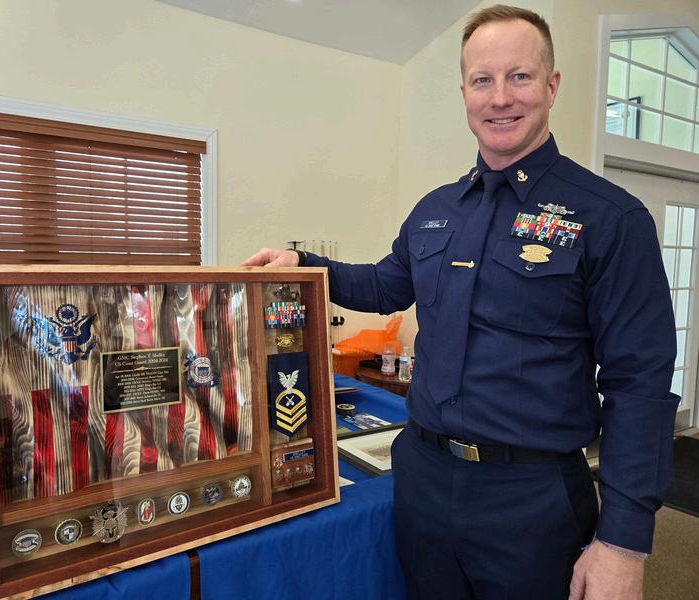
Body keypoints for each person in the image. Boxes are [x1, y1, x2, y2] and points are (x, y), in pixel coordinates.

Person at [242, 5, 679, 600]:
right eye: (482, 80)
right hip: (423, 478)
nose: (500, 97)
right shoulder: (435, 210)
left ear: (552, 86)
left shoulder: (611, 217)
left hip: (531, 498)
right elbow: (384, 285)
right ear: (465, 93)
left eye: (519, 76)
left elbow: (639, 383)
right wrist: (305, 265)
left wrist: (624, 543)